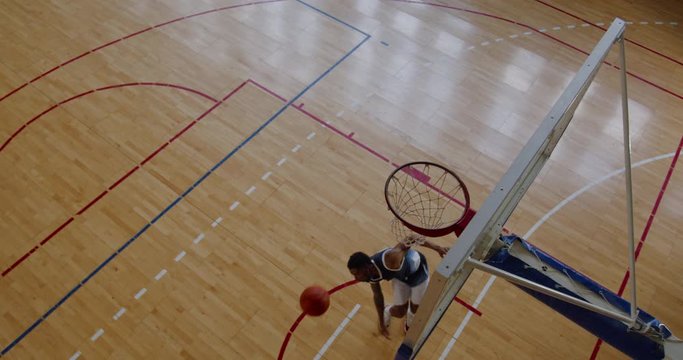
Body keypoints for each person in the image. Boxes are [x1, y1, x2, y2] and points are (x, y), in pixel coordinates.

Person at [347, 235, 448, 339]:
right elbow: (378, 296)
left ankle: (409, 323)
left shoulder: (391, 259)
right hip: (400, 278)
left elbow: (411, 238)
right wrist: (381, 322)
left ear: (367, 267)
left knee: (415, 309)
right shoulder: (370, 276)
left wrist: (438, 248)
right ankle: (388, 310)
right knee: (400, 313)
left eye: (357, 273)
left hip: (418, 273)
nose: (356, 278)